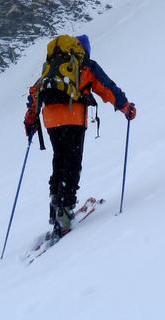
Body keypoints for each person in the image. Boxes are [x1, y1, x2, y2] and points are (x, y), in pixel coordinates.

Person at [24, 33, 136, 235]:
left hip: (50, 119)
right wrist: (125, 106)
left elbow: (35, 91)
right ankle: (65, 215)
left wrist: (31, 118)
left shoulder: (53, 67)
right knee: (72, 163)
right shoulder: (85, 65)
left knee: (59, 160)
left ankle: (55, 209)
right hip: (73, 118)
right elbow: (106, 87)